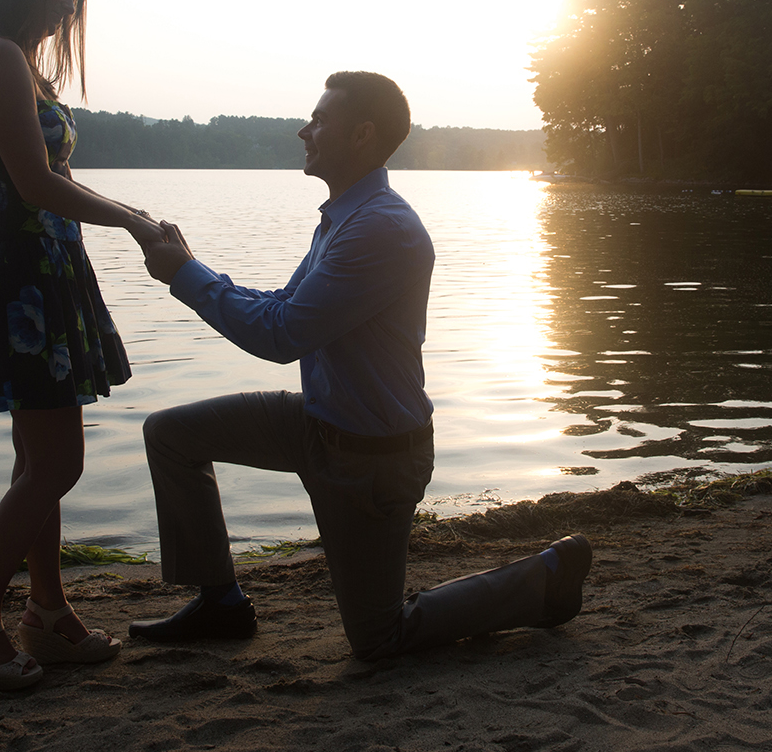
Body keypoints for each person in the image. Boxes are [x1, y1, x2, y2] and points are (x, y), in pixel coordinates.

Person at [132, 71, 593, 659]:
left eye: (320, 119)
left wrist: (184, 275)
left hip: (372, 456)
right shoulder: (346, 217)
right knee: (172, 435)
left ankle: (547, 578)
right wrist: (193, 266)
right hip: (318, 423)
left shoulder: (381, 229)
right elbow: (283, 307)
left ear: (362, 135)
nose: (304, 130)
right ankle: (220, 602)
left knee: (378, 639)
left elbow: (281, 336)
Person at [0, 0, 168, 690]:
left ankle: (47, 611)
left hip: (46, 272)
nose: (68, 4)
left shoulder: (16, 61)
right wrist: (133, 218)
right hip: (21, 279)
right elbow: (35, 184)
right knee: (57, 466)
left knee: (36, 463)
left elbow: (46, 180)